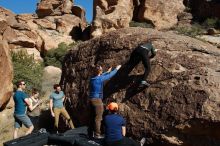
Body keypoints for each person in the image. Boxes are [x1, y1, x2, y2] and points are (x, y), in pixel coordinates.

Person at [89, 65, 121, 138]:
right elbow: (110, 76)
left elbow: (101, 75)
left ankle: (90, 133)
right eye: (101, 69)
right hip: (97, 100)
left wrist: (107, 72)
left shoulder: (92, 78)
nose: (102, 69)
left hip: (91, 99)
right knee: (98, 118)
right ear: (99, 71)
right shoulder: (99, 79)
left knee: (92, 117)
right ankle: (97, 134)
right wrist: (116, 69)